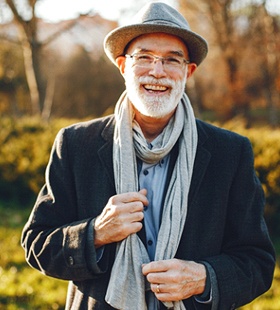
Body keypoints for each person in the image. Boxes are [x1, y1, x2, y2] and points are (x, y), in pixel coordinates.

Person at [21, 2, 275, 310]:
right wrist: (96, 233)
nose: (157, 71)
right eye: (144, 58)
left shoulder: (230, 153)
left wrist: (204, 277)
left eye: (172, 60)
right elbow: (37, 244)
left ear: (188, 71)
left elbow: (257, 262)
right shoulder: (76, 144)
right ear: (123, 66)